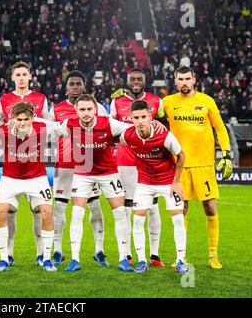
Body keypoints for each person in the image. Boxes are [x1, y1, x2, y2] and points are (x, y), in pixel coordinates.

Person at [53, 94, 165, 273]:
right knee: (76, 214)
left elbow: (132, 128)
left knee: (120, 213)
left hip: (108, 174)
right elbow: (48, 127)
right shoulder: (70, 124)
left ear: (95, 109)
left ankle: (122, 258)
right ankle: (75, 259)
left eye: (89, 109)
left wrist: (153, 124)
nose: (86, 113)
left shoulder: (108, 124)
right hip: (83, 174)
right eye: (82, 109)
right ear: (76, 111)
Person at [163, 66, 232, 269]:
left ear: (194, 79)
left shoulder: (207, 101)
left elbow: (220, 127)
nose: (184, 82)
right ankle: (181, 256)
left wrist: (227, 153)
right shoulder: (167, 103)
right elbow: (151, 117)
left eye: (187, 78)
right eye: (180, 79)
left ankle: (213, 255)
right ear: (175, 82)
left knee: (210, 207)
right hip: (179, 166)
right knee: (180, 210)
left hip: (204, 165)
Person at [47, 70, 109, 267]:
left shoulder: (97, 108)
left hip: (89, 166)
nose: (75, 87)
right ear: (66, 87)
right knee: (59, 209)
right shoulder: (56, 109)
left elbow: (106, 132)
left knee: (95, 207)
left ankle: (99, 250)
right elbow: (48, 133)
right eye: (71, 84)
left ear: (84, 86)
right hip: (64, 166)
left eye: (78, 84)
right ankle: (58, 251)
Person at [119, 100, 189, 274]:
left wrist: (176, 182)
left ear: (150, 117)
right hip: (145, 183)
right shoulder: (128, 135)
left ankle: (181, 261)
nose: (140, 121)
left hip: (168, 182)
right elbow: (111, 134)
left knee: (178, 219)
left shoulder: (164, 135)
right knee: (138, 219)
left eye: (144, 117)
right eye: (136, 118)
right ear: (131, 119)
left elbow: (181, 155)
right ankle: (142, 261)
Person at [0, 61, 49, 267]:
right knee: (8, 211)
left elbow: (47, 123)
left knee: (38, 211)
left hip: (35, 163)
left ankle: (41, 252)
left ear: (30, 76)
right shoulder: (5, 99)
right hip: (12, 164)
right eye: (17, 74)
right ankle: (7, 254)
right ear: (12, 78)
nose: (21, 77)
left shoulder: (40, 99)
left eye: (25, 74)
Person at [110, 67, 166, 267]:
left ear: (145, 80)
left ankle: (155, 255)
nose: (135, 81)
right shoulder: (116, 102)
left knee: (152, 208)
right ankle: (125, 254)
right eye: (132, 78)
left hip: (150, 162)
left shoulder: (156, 101)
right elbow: (111, 130)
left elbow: (163, 126)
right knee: (125, 209)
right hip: (125, 164)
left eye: (139, 78)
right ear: (127, 81)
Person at [0, 102, 56, 272]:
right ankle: (4, 259)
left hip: (37, 178)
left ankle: (47, 259)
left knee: (47, 213)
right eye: (19, 119)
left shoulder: (42, 129)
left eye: (26, 119)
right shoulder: (3, 131)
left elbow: (62, 127)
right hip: (10, 178)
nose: (22, 123)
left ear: (32, 119)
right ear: (13, 118)